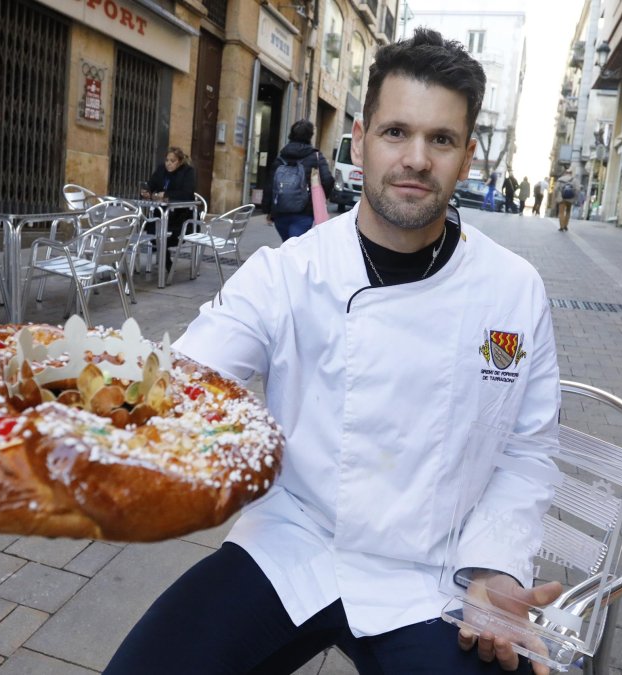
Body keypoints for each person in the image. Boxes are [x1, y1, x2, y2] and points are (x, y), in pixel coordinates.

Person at [105, 27, 562, 675]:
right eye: (396, 131)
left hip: (432, 572)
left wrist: (495, 564)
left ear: (467, 158)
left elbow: (529, 449)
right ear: (359, 138)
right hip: (296, 543)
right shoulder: (288, 273)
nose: (415, 159)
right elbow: (187, 378)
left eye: (441, 139)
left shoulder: (514, 290)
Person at [267, 119, 335, 241]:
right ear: (310, 136)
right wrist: (320, 198)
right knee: (296, 250)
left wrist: (268, 209)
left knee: (287, 246)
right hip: (304, 214)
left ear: (291, 134)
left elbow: (270, 185)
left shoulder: (281, 157)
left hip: (280, 213)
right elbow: (328, 180)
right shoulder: (316, 157)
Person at [140, 146, 197, 274]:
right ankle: (166, 262)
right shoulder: (161, 170)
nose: (169, 164)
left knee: (165, 236)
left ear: (180, 161)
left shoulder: (187, 172)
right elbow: (151, 185)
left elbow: (187, 194)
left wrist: (166, 195)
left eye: (173, 161)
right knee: (153, 231)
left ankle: (166, 262)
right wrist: (146, 192)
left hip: (182, 218)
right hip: (161, 216)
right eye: (167, 160)